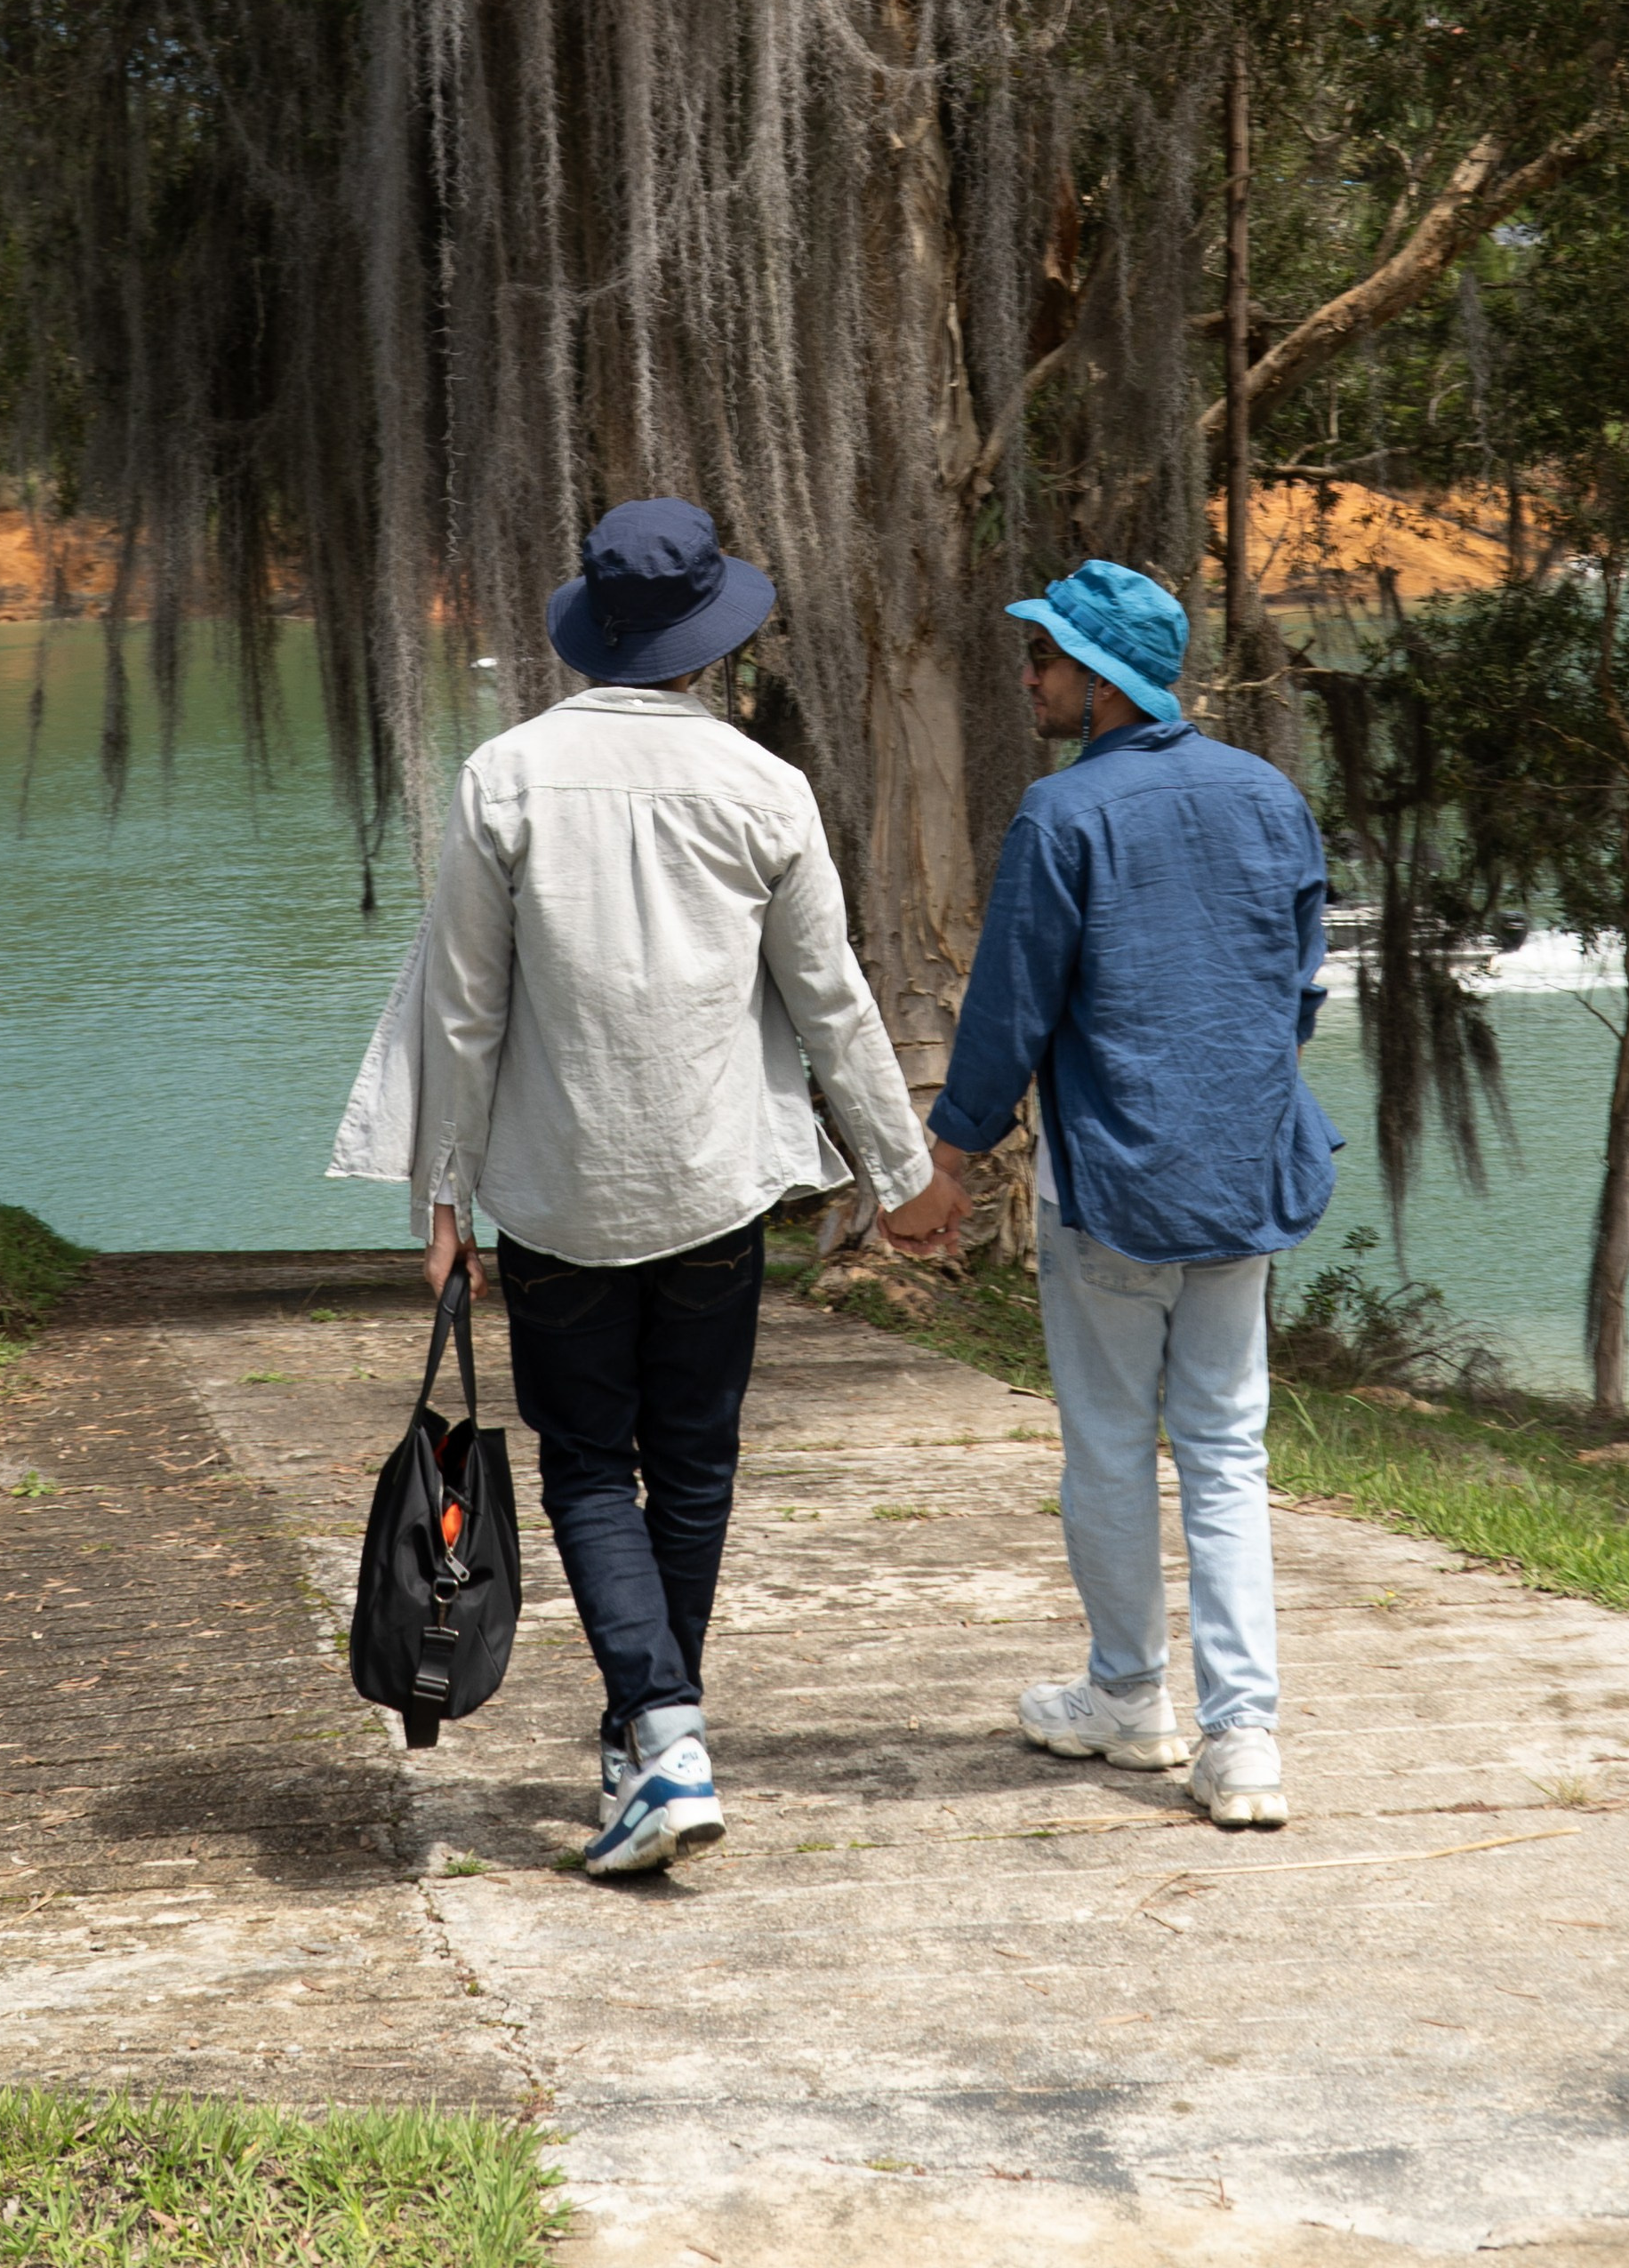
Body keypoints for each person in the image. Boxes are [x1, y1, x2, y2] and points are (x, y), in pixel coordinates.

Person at [343, 496, 965, 1878]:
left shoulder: (503, 777)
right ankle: (657, 1726)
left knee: (586, 1466)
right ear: (710, 641)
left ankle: (658, 1729)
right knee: (691, 1462)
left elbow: (463, 1012)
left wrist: (440, 1204)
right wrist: (901, 1172)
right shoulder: (765, 788)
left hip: (556, 1190)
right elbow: (831, 1001)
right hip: (713, 1184)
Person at [925, 559, 1336, 1832]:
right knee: (1224, 1451)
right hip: (1244, 1175)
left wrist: (950, 1159)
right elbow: (1301, 989)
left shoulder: (1065, 818)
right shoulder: (1270, 796)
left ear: (1098, 678)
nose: (1029, 679)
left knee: (1110, 1442)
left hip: (1107, 1179)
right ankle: (1247, 1743)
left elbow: (1008, 1014)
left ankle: (1129, 1697)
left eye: (1042, 658)